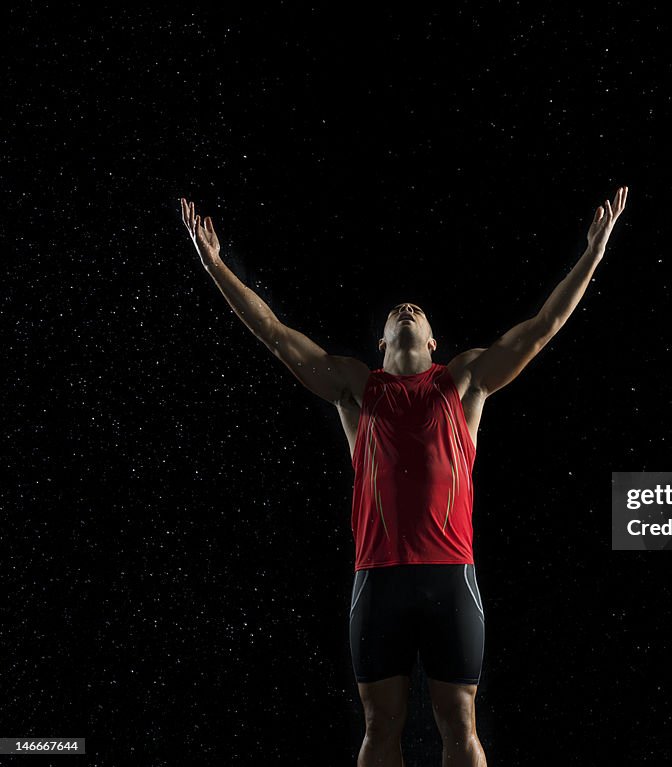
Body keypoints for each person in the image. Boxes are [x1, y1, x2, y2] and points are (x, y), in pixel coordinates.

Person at [179, 186, 628, 766]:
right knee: (379, 726)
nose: (407, 309)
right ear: (382, 340)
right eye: (397, 312)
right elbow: (274, 333)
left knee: (459, 724)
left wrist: (593, 252)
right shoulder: (354, 389)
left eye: (418, 311)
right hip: (379, 580)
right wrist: (214, 264)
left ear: (434, 342)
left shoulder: (465, 381)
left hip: (450, 579)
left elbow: (542, 326)